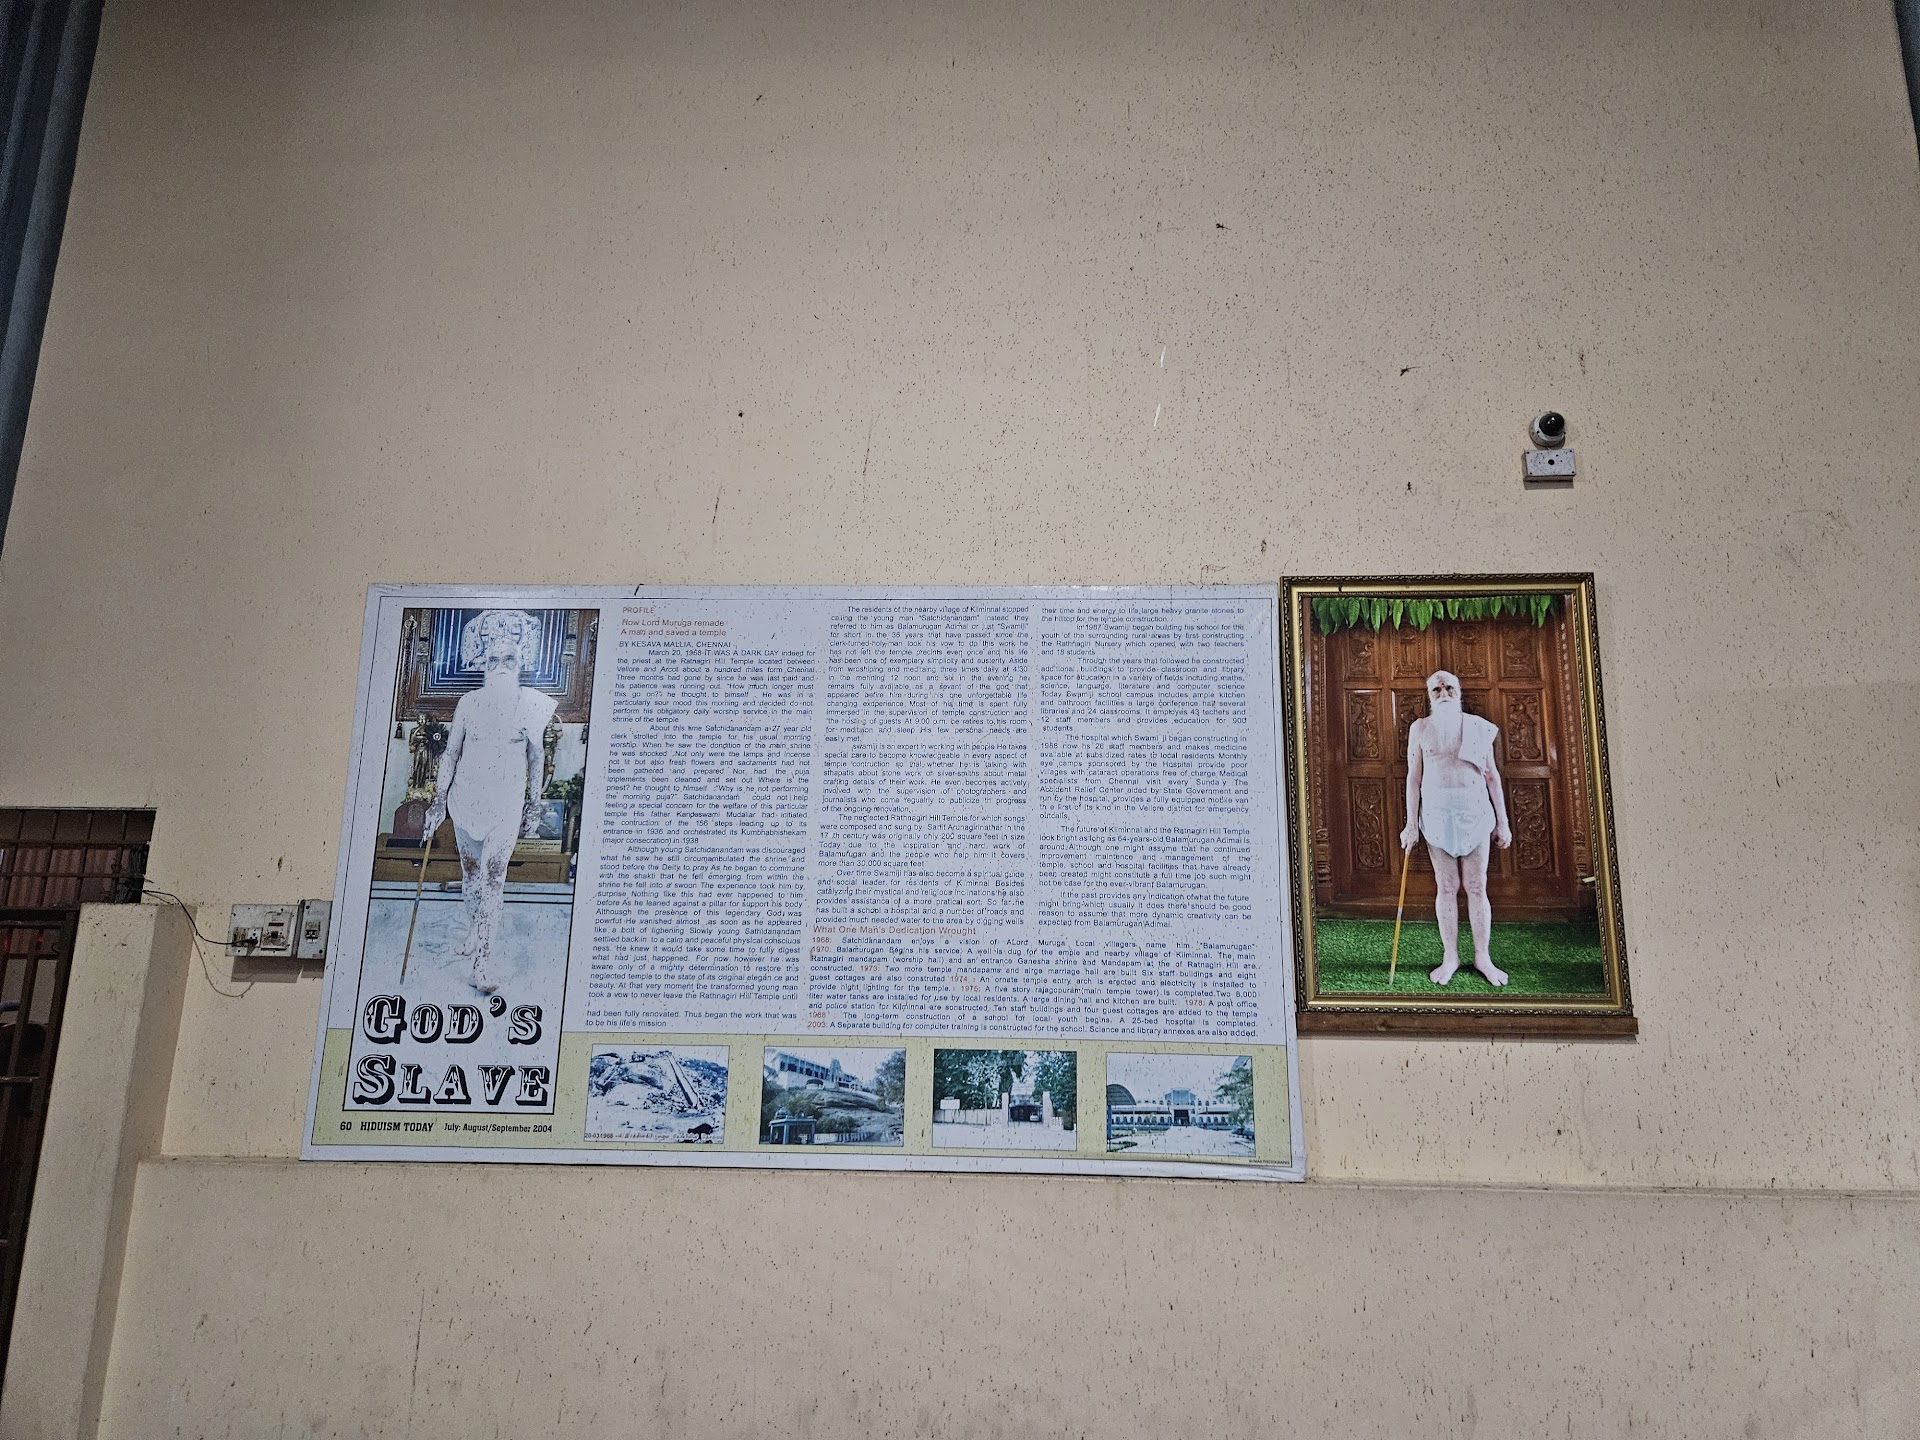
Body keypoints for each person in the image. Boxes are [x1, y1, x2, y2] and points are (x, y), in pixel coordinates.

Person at [422, 610, 555, 992]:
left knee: (494, 878)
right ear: (483, 662)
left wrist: (534, 803)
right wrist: (438, 801)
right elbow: (451, 754)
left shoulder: (531, 705)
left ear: (520, 662)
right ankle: (472, 931)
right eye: (493, 659)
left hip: (505, 807)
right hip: (466, 801)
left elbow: (536, 757)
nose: (500, 666)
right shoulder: (469, 703)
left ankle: (481, 964)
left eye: (508, 659)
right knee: (470, 874)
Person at [1398, 669, 1512, 986]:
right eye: (1436, 689)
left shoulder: (1477, 727)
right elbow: (1413, 778)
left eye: (1449, 687)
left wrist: (1503, 823)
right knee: (1446, 886)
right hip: (1436, 816)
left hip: (1475, 813)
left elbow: (1492, 776)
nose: (1444, 693)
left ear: (1459, 692)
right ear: (1429, 695)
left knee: (1476, 886)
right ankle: (1451, 957)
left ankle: (1482, 957)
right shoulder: (1420, 728)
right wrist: (1411, 824)